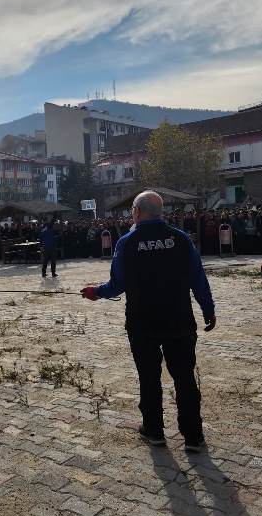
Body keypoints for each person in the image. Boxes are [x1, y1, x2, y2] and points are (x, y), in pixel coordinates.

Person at [81, 190, 216, 453]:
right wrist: (208, 309)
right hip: (179, 320)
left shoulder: (127, 243)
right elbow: (198, 278)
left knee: (149, 377)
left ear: (137, 211)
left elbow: (117, 284)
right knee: (185, 377)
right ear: (161, 212)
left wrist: (96, 292)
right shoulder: (181, 239)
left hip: (143, 323)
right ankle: (193, 437)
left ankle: (154, 430)